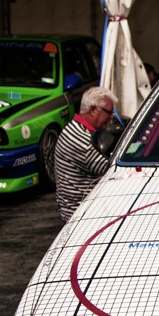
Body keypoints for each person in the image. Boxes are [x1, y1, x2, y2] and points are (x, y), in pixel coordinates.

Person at [54, 86, 116, 222]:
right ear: (93, 110)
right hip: (81, 215)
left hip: (77, 209)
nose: (111, 117)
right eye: (109, 112)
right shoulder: (83, 141)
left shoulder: (73, 128)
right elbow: (113, 172)